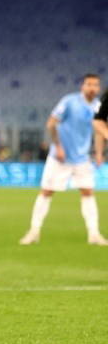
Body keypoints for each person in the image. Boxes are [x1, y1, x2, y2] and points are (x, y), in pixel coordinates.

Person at [21, 74, 108, 246]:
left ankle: (94, 234)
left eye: (95, 85)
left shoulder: (98, 106)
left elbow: (99, 131)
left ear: (98, 88)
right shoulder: (69, 101)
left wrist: (99, 153)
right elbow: (51, 123)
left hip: (82, 158)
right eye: (89, 84)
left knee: (88, 192)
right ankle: (34, 231)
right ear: (82, 86)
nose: (92, 88)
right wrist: (58, 146)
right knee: (47, 191)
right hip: (60, 157)